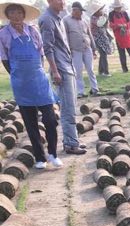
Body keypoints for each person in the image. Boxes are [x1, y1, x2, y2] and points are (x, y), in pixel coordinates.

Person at [0, 1, 61, 168]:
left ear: (23, 14)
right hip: (21, 83)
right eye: (11, 12)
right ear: (7, 15)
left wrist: (37, 69)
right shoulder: (3, 34)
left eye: (18, 12)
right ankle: (40, 158)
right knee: (30, 122)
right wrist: (18, 74)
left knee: (50, 119)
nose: (16, 16)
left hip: (39, 81)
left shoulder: (33, 30)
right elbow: (5, 59)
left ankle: (53, 154)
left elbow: (41, 52)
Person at [39, 0, 85, 154]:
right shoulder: (47, 19)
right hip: (61, 68)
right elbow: (48, 47)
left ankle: (73, 139)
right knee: (67, 108)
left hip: (67, 65)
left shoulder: (58, 18)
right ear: (50, 1)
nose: (62, 2)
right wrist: (55, 71)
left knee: (71, 105)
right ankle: (71, 144)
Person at [63, 0, 98, 97]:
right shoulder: (66, 20)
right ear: (74, 10)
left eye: (82, 11)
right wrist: (68, 50)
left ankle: (95, 89)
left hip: (87, 48)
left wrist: (94, 49)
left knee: (90, 69)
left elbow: (89, 34)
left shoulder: (85, 19)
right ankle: (80, 92)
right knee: (78, 71)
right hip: (75, 49)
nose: (81, 13)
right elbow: (65, 36)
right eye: (80, 11)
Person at [109, 0, 130, 72]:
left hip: (127, 36)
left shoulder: (125, 13)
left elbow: (129, 23)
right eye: (116, 8)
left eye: (119, 8)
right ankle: (124, 69)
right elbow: (111, 25)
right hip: (119, 37)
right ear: (114, 8)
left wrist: (125, 25)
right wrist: (118, 26)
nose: (118, 9)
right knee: (122, 54)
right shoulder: (111, 14)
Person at [90, 2, 112, 75]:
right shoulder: (93, 18)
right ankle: (106, 72)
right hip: (97, 38)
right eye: (100, 10)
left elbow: (106, 26)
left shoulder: (101, 17)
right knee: (103, 54)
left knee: (103, 54)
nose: (101, 11)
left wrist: (105, 18)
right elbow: (99, 24)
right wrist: (104, 17)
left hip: (103, 37)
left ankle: (101, 71)